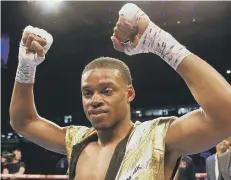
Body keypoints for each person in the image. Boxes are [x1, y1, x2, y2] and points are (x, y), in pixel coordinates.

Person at [9, 3, 231, 180]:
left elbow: (226, 115)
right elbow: (24, 122)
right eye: (87, 93)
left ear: (130, 94)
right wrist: (26, 67)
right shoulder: (77, 141)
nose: (95, 100)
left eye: (107, 91)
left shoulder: (159, 138)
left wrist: (160, 42)